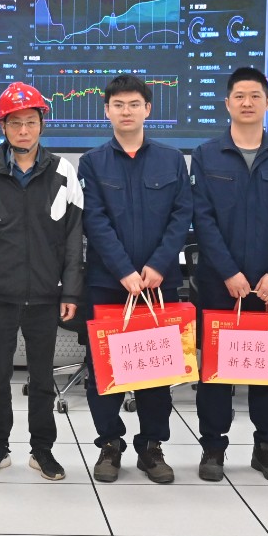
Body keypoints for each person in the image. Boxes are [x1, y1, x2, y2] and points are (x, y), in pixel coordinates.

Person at [191, 66, 268, 484]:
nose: (247, 102)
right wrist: (228, 272)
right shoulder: (206, 155)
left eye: (255, 95)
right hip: (220, 285)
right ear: (227, 103)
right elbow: (202, 219)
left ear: (267, 102)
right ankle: (213, 446)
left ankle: (267, 447)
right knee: (216, 372)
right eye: (239, 96)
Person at [0, 81, 84, 481]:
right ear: (3, 127)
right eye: (15, 123)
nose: (24, 130)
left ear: (42, 124)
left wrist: (71, 290)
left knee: (42, 378)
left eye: (31, 122)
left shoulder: (63, 172)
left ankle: (42, 451)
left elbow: (73, 240)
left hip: (46, 296)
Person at [78, 74, 194, 484]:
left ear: (148, 109)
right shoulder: (92, 163)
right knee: (103, 369)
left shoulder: (171, 159)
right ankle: (110, 443)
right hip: (108, 283)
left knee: (156, 368)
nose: (126, 111)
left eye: (133, 104)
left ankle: (151, 447)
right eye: (118, 105)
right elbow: (95, 221)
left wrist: (158, 265)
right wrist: (124, 270)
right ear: (106, 111)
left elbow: (182, 215)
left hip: (159, 283)